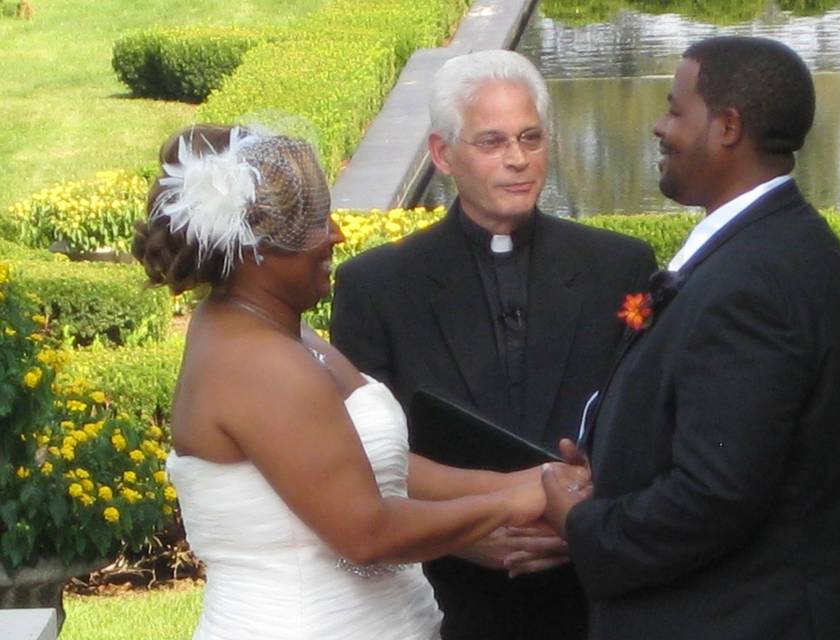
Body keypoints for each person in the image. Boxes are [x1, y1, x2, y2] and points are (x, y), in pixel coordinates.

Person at [132, 123, 552, 640]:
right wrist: (509, 504)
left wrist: (530, 481)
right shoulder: (257, 363)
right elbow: (366, 533)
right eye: (311, 224)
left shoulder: (277, 327)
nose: (335, 234)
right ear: (255, 247)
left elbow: (372, 466)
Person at [540, 36, 840, 640]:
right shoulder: (767, 246)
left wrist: (584, 525)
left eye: (676, 109)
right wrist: (612, 466)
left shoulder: (755, 284)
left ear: (727, 127)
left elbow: (715, 495)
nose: (659, 126)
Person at [331, 50, 657, 640]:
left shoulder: (620, 266)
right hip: (448, 599)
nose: (518, 159)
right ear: (442, 154)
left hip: (592, 598)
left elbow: (648, 420)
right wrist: (460, 531)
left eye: (531, 138)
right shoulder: (376, 286)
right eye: (492, 142)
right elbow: (360, 457)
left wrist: (575, 522)